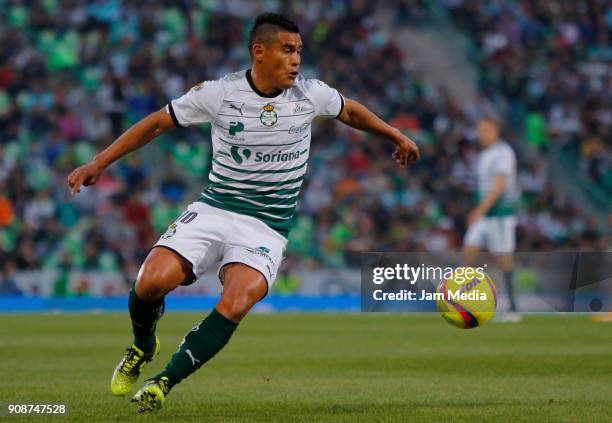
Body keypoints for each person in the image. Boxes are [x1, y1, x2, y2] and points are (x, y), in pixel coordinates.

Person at [67, 13, 419, 412]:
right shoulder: (219, 93)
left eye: (299, 51)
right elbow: (156, 124)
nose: (296, 60)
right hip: (216, 207)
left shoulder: (311, 94)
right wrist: (99, 161)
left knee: (237, 301)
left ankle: (163, 382)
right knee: (150, 282)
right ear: (259, 51)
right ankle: (143, 345)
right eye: (287, 50)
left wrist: (396, 134)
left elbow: (350, 111)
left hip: (267, 227)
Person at [463, 117, 520, 321]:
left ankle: (513, 308)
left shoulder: (503, 153)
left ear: (496, 131)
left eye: (487, 130)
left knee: (504, 259)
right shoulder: (484, 154)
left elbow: (499, 184)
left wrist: (479, 210)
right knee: (469, 252)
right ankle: (471, 302)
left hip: (500, 215)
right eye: (480, 130)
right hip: (484, 215)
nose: (483, 134)